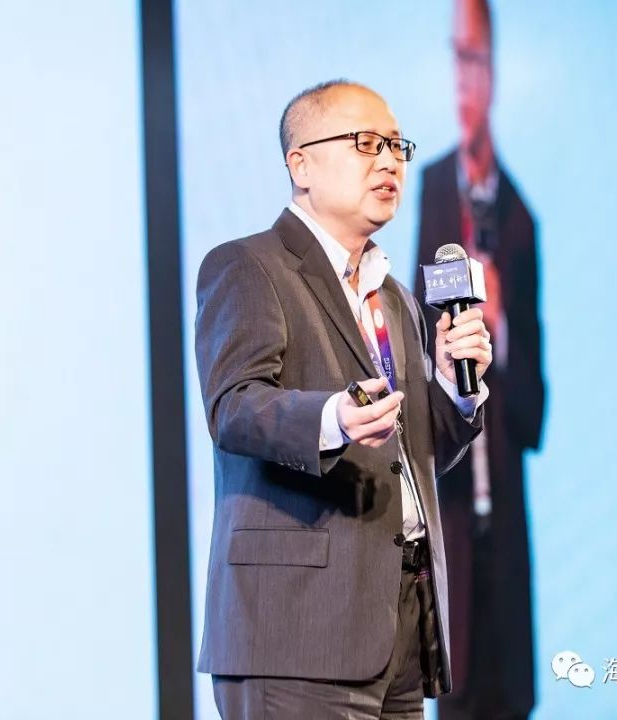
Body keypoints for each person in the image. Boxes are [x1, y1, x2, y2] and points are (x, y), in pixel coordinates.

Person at [194, 79, 493, 720]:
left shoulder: (395, 299)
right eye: (365, 143)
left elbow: (410, 458)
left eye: (396, 145)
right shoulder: (248, 266)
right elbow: (234, 407)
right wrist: (333, 417)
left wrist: (452, 390)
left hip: (400, 625)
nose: (389, 161)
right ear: (300, 164)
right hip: (296, 631)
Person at [413, 2, 547, 718]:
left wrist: (500, 323)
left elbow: (533, 414)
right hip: (454, 528)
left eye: (476, 59)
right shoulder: (433, 189)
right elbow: (414, 351)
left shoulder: (521, 218)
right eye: (455, 58)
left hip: (507, 535)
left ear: (494, 71)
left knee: (509, 696)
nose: (465, 77)